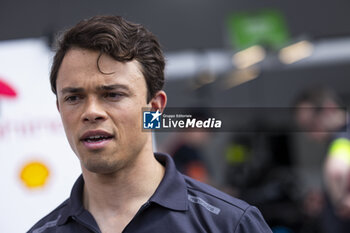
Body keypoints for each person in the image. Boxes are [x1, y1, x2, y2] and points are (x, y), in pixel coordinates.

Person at [27, 15, 271, 233]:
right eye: (74, 98)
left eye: (112, 94)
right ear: (59, 109)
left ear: (154, 108)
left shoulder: (228, 224)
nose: (91, 112)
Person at [294, 87, 350, 233]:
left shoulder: (342, 138)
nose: (310, 135)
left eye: (311, 125)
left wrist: (339, 201)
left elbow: (336, 171)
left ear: (329, 109)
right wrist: (327, 198)